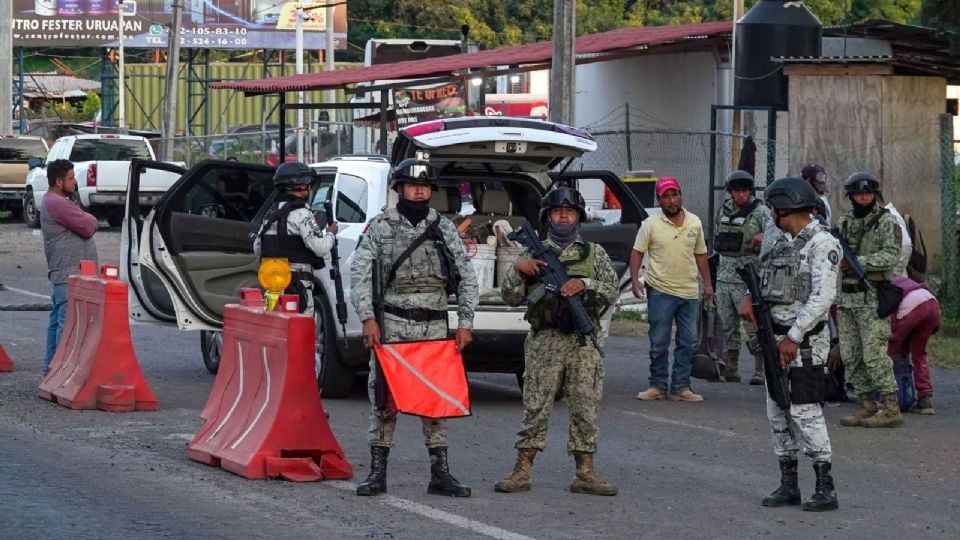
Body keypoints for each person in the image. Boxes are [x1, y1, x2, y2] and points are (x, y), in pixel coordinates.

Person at [350, 158, 479, 498]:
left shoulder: (444, 228)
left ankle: (440, 474)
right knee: (384, 399)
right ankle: (377, 474)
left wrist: (465, 322)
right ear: (400, 189)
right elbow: (360, 274)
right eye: (412, 185)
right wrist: (367, 318)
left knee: (435, 399)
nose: (419, 191)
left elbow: (466, 277)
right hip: (392, 324)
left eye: (424, 186)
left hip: (434, 325)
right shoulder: (380, 226)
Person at [495, 187, 619, 496]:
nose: (563, 216)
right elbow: (510, 297)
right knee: (535, 406)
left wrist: (584, 283)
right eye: (557, 211)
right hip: (545, 342)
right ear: (548, 216)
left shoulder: (594, 253)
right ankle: (522, 470)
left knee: (585, 407)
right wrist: (518, 271)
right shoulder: (531, 254)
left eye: (570, 211)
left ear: (578, 216)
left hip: (583, 344)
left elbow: (612, 290)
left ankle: (585, 472)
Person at [739, 177, 840, 512]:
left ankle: (825, 486)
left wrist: (794, 337)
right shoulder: (778, 238)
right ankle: (789, 483)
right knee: (777, 409)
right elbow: (762, 274)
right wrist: (748, 295)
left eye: (774, 209)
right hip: (773, 336)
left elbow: (822, 297)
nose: (771, 214)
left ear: (786, 208)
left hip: (804, 341)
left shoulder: (822, 244)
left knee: (805, 410)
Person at [631, 177, 713, 402]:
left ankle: (681, 387)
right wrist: (635, 280)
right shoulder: (650, 224)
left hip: (689, 293)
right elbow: (637, 252)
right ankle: (657, 385)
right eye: (665, 196)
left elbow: (701, 255)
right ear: (659, 200)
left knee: (688, 342)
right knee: (659, 342)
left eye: (674, 194)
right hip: (660, 291)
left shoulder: (694, 222)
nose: (671, 200)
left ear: (681, 196)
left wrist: (707, 284)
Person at [835, 172, 904, 429]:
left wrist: (856, 263)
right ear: (851, 196)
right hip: (846, 298)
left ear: (874, 194)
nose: (863, 197)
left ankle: (891, 408)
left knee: (874, 355)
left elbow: (891, 256)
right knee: (851, 356)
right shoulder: (843, 222)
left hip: (872, 297)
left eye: (868, 193)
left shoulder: (887, 221)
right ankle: (867, 405)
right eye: (858, 193)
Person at [40, 159, 99, 374]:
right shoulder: (57, 203)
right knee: (66, 326)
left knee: (58, 323)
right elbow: (89, 226)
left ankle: (50, 371)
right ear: (58, 181)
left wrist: (85, 216)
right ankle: (59, 372)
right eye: (71, 178)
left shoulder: (58, 201)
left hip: (67, 274)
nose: (75, 182)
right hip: (67, 275)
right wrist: (89, 218)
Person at [713, 171, 768, 384]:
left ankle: (760, 368)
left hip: (747, 277)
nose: (741, 195)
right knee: (727, 324)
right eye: (736, 191)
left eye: (744, 191)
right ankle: (731, 366)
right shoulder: (724, 209)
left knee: (753, 325)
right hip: (724, 275)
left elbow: (776, 238)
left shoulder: (761, 212)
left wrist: (763, 237)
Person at [888, 276, 940, 414]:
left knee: (888, 351)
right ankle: (925, 398)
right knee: (919, 353)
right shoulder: (903, 280)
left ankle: (886, 396)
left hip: (911, 308)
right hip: (932, 303)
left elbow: (891, 321)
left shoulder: (883, 286)